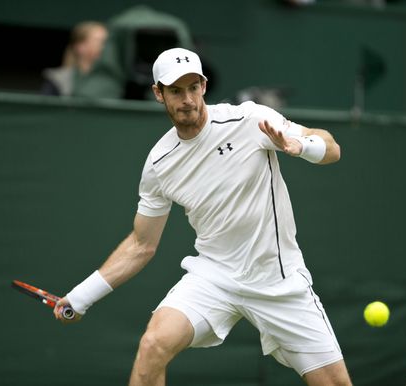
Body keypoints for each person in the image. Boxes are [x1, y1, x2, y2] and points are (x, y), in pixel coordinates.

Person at [53, 47, 352, 386]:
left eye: (193, 87)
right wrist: (81, 297)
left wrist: (304, 147)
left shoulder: (250, 120)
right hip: (214, 277)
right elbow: (141, 244)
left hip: (279, 278)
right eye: (176, 91)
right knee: (153, 345)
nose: (188, 99)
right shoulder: (159, 164)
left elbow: (333, 148)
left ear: (204, 86)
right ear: (158, 93)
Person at [41, 21, 107, 96]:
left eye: (107, 42)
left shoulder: (112, 81)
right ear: (80, 46)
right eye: (99, 41)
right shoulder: (58, 80)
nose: (105, 47)